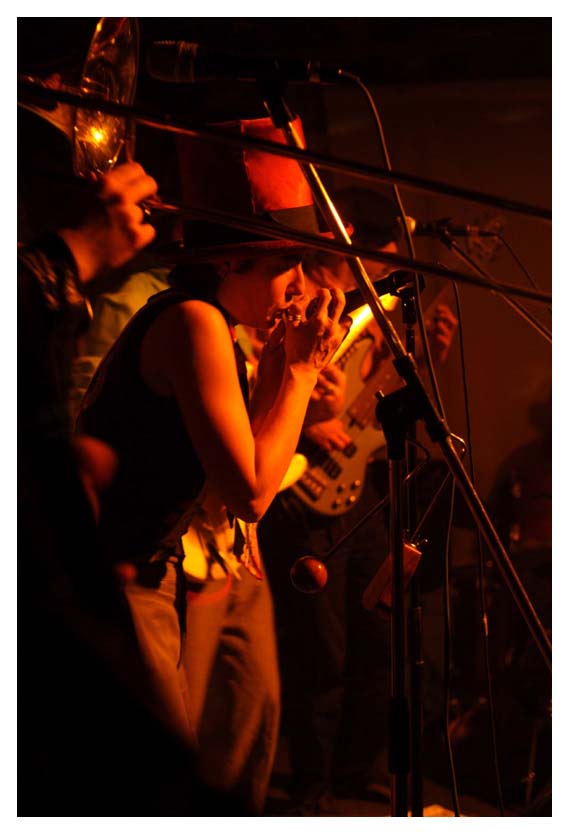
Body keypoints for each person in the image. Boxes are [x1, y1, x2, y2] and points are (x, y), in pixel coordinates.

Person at [77, 115, 349, 815]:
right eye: (286, 265)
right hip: (121, 582)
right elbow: (251, 492)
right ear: (230, 262)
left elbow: (244, 462)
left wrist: (281, 372)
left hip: (145, 575)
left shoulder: (207, 321)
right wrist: (300, 371)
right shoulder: (193, 323)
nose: (299, 286)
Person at [258, 187, 457, 814]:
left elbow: (373, 407)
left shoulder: (377, 311)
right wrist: (306, 423)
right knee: (321, 651)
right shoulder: (304, 298)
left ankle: (355, 775)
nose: (391, 265)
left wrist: (427, 359)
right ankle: (311, 789)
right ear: (359, 247)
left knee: (382, 635)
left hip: (358, 491)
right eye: (386, 252)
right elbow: (261, 382)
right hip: (300, 488)